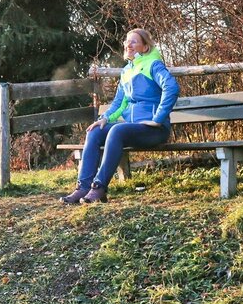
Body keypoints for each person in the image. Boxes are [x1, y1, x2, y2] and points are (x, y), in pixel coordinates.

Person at [60, 28, 179, 204]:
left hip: (154, 130)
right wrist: (105, 118)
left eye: (133, 41)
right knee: (94, 131)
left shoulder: (154, 65)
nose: (128, 45)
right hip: (133, 129)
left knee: (117, 131)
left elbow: (172, 88)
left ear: (145, 47)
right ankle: (83, 187)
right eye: (126, 41)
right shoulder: (126, 71)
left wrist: (158, 118)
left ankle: (99, 187)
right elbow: (119, 103)